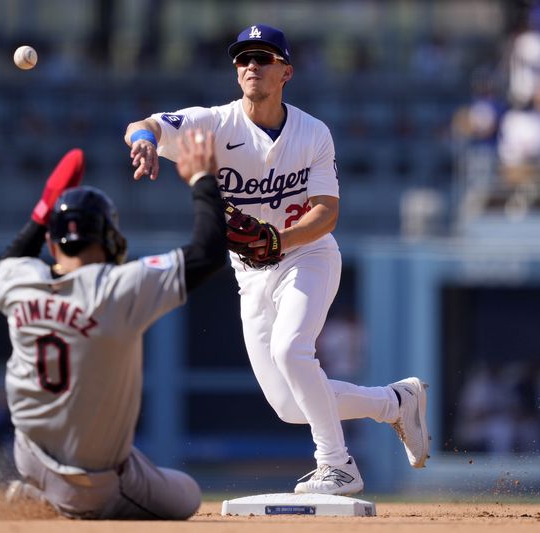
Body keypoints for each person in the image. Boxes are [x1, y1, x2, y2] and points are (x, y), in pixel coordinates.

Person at [124, 23, 430, 495]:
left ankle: (337, 464)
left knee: (292, 351)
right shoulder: (214, 124)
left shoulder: (312, 132)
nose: (251, 67)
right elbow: (145, 124)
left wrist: (278, 240)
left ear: (285, 71)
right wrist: (143, 141)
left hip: (308, 257)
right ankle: (394, 402)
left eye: (263, 58)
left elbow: (327, 214)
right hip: (251, 274)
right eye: (243, 59)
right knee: (290, 405)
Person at [0, 130, 226, 519]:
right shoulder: (118, 287)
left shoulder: (18, 282)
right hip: (92, 484)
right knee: (188, 494)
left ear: (51, 244)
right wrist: (202, 179)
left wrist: (42, 212)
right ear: (111, 238)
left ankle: (41, 491)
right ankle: (61, 501)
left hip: (28, 455)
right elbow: (208, 252)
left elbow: (11, 258)